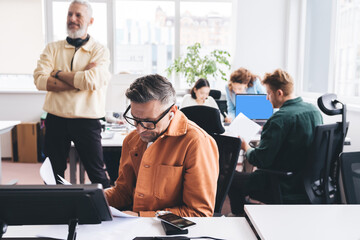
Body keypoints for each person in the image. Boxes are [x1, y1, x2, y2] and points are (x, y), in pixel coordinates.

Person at [105, 74, 219, 217]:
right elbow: (124, 192)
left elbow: (199, 212)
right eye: (135, 119)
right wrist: (96, 197)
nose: (140, 129)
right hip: (133, 225)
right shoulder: (131, 140)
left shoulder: (196, 143)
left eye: (149, 122)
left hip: (171, 231)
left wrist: (142, 217)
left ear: (172, 113)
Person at [34, 0, 111, 188]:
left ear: (90, 21)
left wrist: (58, 73)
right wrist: (80, 77)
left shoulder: (99, 50)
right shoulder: (52, 48)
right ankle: (56, 212)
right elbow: (39, 80)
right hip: (56, 118)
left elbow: (92, 81)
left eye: (78, 15)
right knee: (52, 175)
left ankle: (110, 213)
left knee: (97, 174)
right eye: (70, 14)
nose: (72, 19)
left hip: (87, 120)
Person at [228, 69, 323, 215]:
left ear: (279, 93)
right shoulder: (313, 110)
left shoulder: (280, 119)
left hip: (282, 182)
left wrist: (246, 146)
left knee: (230, 178)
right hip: (307, 183)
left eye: (269, 93)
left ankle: (241, 218)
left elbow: (260, 160)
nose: (266, 98)